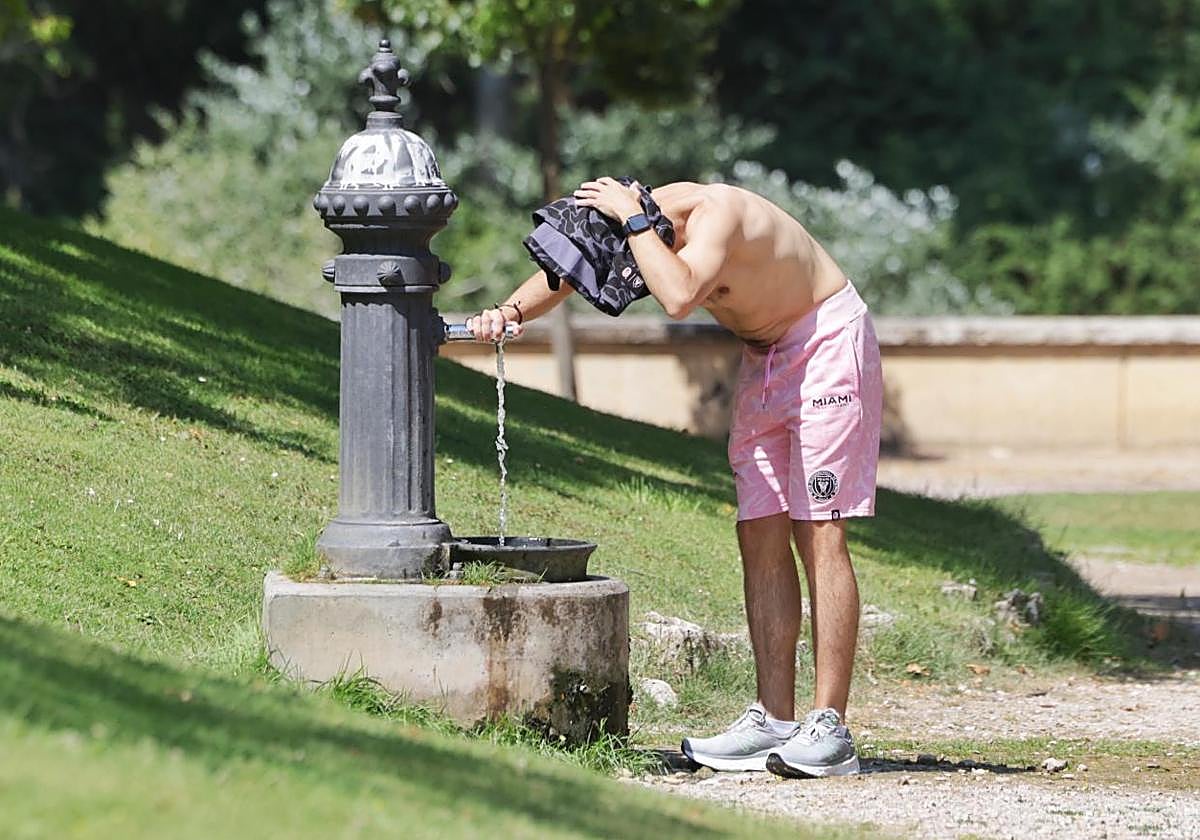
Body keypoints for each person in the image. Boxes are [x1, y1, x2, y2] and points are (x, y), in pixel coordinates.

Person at [467, 177, 883, 778]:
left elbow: (680, 296)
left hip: (825, 347)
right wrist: (509, 311)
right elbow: (572, 265)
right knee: (759, 531)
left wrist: (634, 223)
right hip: (764, 358)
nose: (630, 274)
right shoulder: (641, 214)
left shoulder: (716, 213)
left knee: (818, 528)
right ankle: (774, 718)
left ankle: (830, 728)